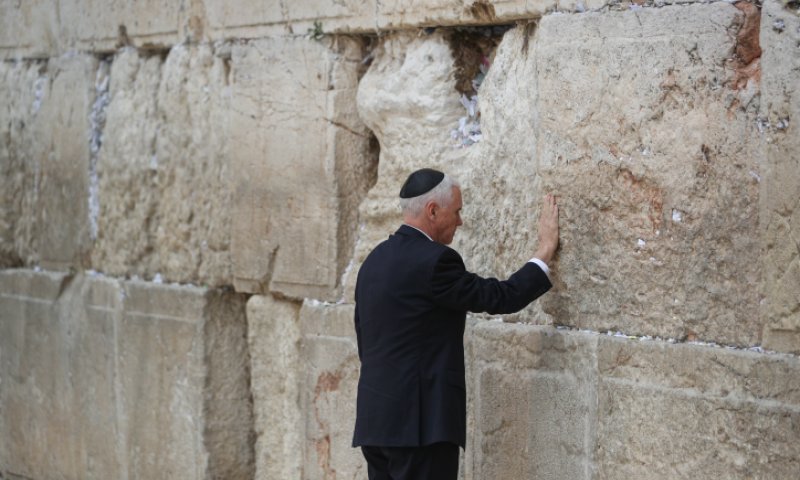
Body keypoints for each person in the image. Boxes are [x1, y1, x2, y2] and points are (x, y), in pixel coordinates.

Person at [352, 168, 560, 480]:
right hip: (420, 427)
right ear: (432, 211)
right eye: (457, 211)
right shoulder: (436, 262)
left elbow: (365, 341)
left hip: (376, 424)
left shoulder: (373, 262)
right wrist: (544, 252)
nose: (460, 222)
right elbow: (499, 297)